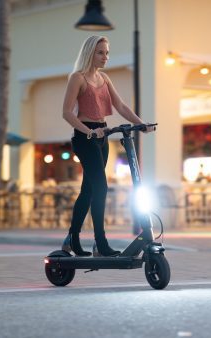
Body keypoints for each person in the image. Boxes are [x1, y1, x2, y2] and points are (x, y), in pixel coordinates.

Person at [61, 35, 154, 257]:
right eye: (100, 52)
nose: (105, 57)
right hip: (85, 138)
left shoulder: (104, 79)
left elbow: (120, 105)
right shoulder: (78, 78)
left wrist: (140, 124)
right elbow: (66, 113)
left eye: (107, 53)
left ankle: (72, 239)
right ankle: (99, 243)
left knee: (88, 190)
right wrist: (89, 131)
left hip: (103, 137)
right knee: (100, 187)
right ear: (90, 53)